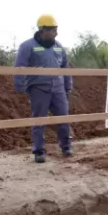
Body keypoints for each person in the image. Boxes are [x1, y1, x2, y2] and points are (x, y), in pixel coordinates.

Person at [13, 14, 73, 163]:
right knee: (39, 120)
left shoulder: (59, 47)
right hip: (38, 89)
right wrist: (20, 88)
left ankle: (66, 147)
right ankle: (38, 151)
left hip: (58, 88)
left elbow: (65, 67)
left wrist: (68, 86)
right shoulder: (28, 46)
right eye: (53, 30)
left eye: (56, 29)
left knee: (64, 118)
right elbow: (20, 67)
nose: (56, 33)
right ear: (43, 30)